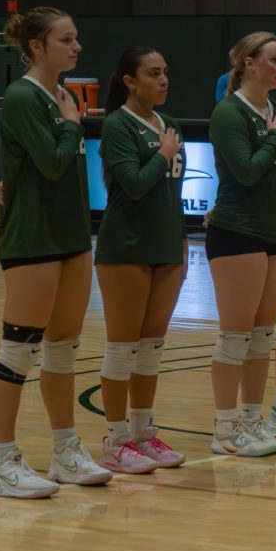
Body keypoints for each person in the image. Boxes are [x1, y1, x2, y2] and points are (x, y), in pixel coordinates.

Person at [0, 6, 111, 498]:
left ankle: (65, 450)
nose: (76, 46)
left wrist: (67, 117)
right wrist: (72, 124)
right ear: (37, 47)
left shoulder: (61, 95)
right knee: (18, 351)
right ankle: (2, 462)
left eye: (76, 38)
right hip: (33, 239)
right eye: (66, 39)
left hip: (72, 237)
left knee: (63, 349)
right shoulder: (23, 96)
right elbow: (54, 163)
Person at [95, 47, 188, 473]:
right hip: (126, 246)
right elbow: (132, 185)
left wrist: (182, 241)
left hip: (168, 247)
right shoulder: (116, 125)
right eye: (154, 73)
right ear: (130, 80)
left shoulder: (168, 124)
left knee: (151, 348)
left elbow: (169, 192)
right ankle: (115, 441)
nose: (164, 79)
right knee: (123, 347)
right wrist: (163, 154)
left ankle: (143, 434)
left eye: (166, 72)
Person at [206, 32, 276, 455]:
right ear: (249, 64)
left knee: (263, 336)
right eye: (273, 60)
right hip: (238, 231)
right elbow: (244, 171)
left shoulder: (275, 110)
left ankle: (252, 421)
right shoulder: (229, 112)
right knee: (236, 335)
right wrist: (274, 139)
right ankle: (225, 430)